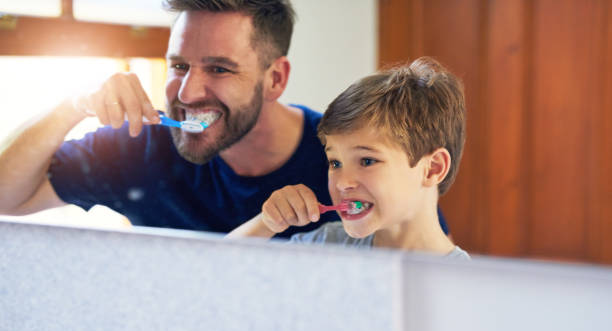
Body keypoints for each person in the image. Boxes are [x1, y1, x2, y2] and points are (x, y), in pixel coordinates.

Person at [0, 0, 448, 238]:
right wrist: (72, 106)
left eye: (219, 69)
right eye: (179, 66)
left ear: (275, 79)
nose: (188, 92)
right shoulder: (135, 145)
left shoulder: (347, 166)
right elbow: (7, 198)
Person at [228, 57, 469, 258]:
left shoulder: (465, 284)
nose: (343, 182)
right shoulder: (328, 245)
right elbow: (209, 273)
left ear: (432, 169)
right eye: (335, 163)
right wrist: (266, 223)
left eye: (366, 161)